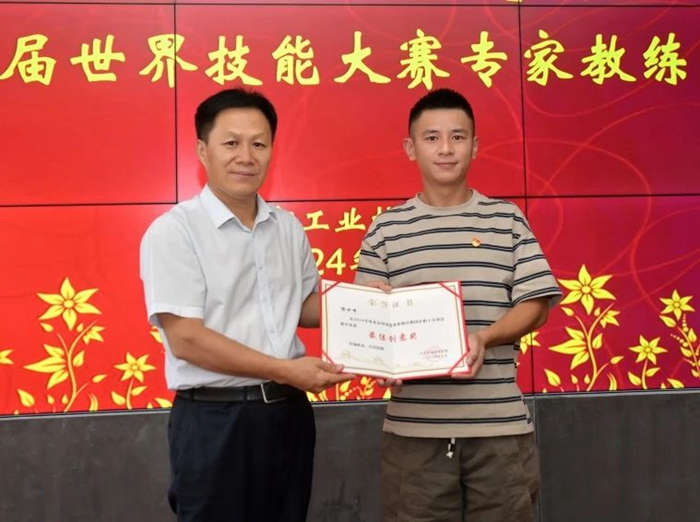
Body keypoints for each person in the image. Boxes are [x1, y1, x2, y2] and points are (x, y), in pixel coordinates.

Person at [139, 88, 353, 522]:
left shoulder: (287, 227)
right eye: (231, 143)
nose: (246, 156)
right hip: (215, 421)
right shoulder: (175, 232)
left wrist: (371, 306)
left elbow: (303, 306)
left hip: (288, 416)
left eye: (259, 143)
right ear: (203, 150)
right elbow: (186, 339)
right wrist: (285, 370)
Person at [354, 88, 562, 522]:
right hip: (414, 436)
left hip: (499, 431)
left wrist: (485, 337)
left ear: (475, 146)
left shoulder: (507, 220)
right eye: (431, 138)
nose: (445, 148)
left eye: (458, 136)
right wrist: (374, 355)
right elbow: (367, 322)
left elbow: (536, 305)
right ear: (410, 148)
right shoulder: (385, 230)